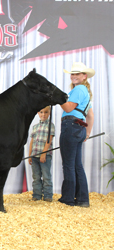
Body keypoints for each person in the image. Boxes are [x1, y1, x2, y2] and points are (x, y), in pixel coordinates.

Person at [58, 62, 95, 207]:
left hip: (70, 126)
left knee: (68, 165)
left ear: (84, 76)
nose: (74, 76)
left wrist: (58, 98)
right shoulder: (85, 92)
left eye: (77, 74)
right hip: (79, 128)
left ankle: (68, 199)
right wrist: (87, 132)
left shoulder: (78, 89)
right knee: (76, 164)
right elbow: (90, 116)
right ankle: (82, 199)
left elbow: (68, 108)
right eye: (72, 74)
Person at [28, 106, 55, 202]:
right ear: (38, 113)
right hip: (34, 156)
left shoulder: (50, 126)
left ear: (49, 113)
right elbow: (32, 142)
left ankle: (48, 196)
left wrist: (44, 154)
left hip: (45, 156)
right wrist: (30, 155)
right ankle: (37, 195)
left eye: (46, 112)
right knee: (36, 177)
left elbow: (49, 141)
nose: (43, 114)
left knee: (46, 176)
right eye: (41, 112)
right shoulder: (35, 127)